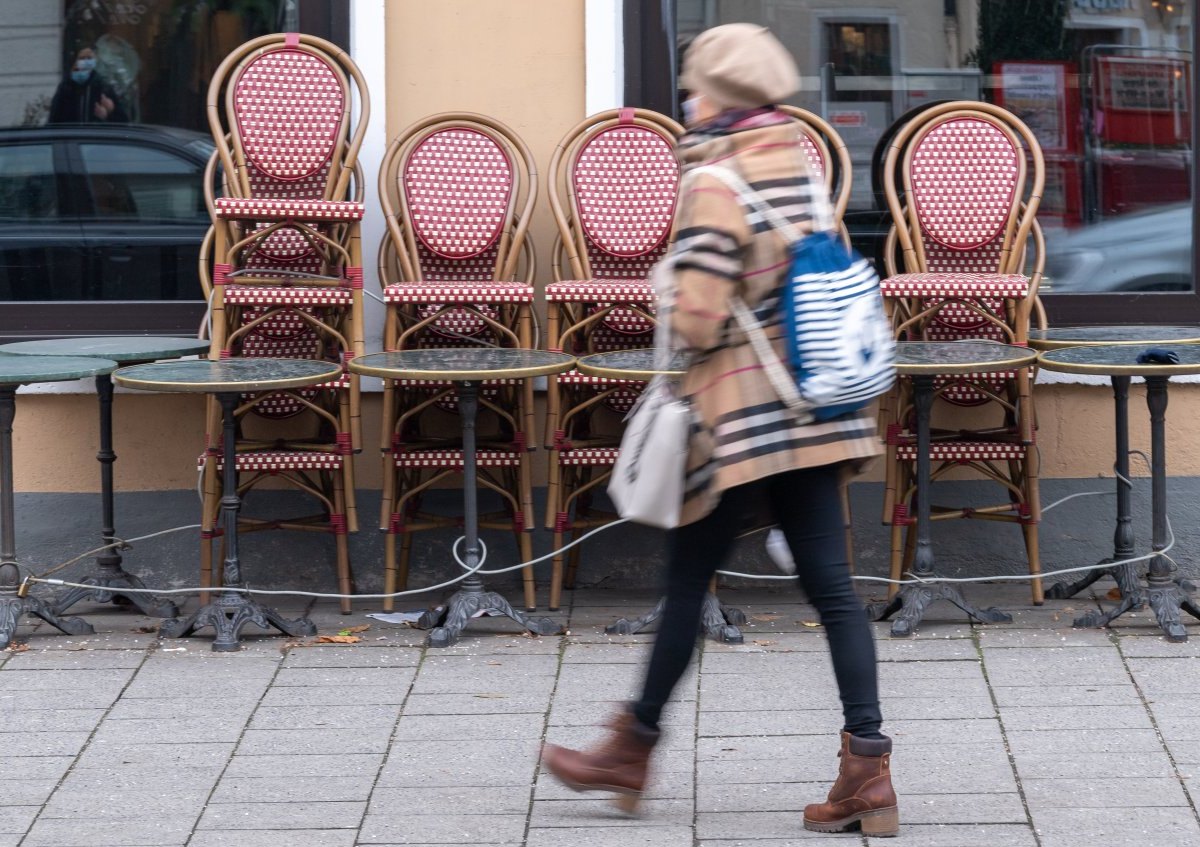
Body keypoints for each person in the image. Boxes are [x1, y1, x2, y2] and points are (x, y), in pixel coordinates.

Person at [540, 23, 899, 838]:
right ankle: (868, 771)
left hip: (736, 422)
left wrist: (666, 291)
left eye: (694, 85)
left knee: (682, 587)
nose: (687, 98)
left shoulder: (714, 178)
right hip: (814, 410)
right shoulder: (801, 162)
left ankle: (629, 750)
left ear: (717, 96)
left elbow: (699, 317)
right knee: (835, 590)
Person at [48, 47, 128, 124]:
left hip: (94, 136)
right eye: (82, 58)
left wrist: (109, 113)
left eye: (89, 58)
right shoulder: (65, 87)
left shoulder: (103, 87)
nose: (85, 61)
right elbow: (53, 119)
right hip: (71, 136)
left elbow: (123, 121)